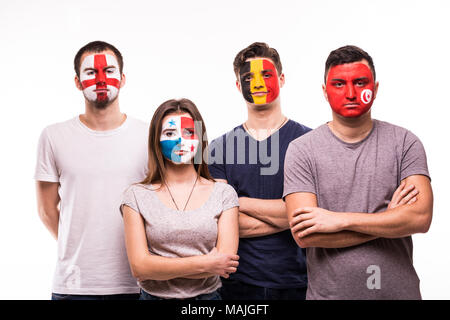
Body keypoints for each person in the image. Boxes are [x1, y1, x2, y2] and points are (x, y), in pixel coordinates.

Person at [283, 45, 433, 300]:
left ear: (374, 88)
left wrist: (340, 220)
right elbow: (306, 235)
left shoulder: (405, 142)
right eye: (339, 84)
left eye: (360, 82)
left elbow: (420, 218)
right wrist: (390, 219)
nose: (351, 93)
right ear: (325, 91)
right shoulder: (301, 150)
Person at [35, 41, 148, 300]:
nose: (100, 79)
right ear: (77, 81)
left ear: (122, 78)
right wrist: (78, 250)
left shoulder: (147, 135)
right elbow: (45, 209)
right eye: (90, 72)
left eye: (109, 71)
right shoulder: (53, 136)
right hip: (73, 286)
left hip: (137, 284)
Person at [208, 42, 311, 300]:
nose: (257, 83)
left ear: (282, 78)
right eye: (248, 77)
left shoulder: (310, 142)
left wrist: (239, 203)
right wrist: (290, 215)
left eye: (266, 74)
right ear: (237, 85)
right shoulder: (217, 149)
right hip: (237, 284)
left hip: (301, 281)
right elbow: (219, 225)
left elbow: (314, 214)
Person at [120, 99, 239, 300]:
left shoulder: (223, 193)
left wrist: (159, 267)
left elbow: (223, 264)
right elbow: (139, 268)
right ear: (156, 140)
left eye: (188, 133)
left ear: (200, 138)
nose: (180, 141)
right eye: (169, 134)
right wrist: (205, 263)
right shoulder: (136, 195)